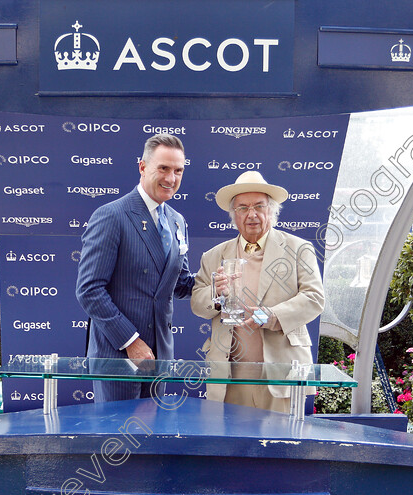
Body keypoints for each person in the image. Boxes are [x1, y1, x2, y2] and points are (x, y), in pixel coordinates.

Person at [190, 171, 325, 413]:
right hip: (229, 377)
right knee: (230, 447)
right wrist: (215, 295)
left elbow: (314, 298)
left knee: (280, 446)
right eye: (242, 208)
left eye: (259, 206)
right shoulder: (213, 256)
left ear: (272, 211)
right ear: (234, 216)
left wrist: (270, 316)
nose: (251, 214)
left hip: (281, 374)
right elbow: (197, 304)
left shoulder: (298, 249)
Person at [75, 134, 194, 402]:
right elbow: (89, 290)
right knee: (116, 440)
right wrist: (131, 341)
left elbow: (180, 283)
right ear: (142, 167)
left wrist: (215, 285)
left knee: (151, 438)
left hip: (159, 359)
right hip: (117, 358)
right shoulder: (112, 215)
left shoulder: (177, 221)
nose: (171, 178)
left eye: (178, 171)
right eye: (163, 168)